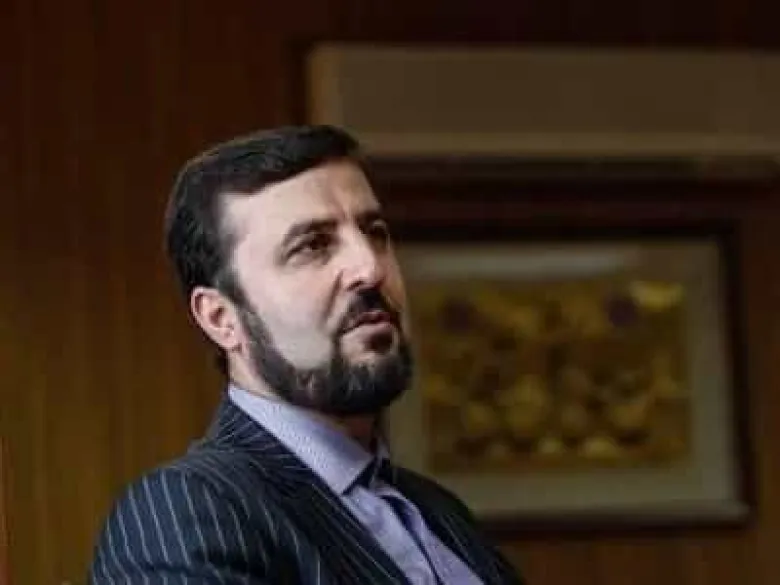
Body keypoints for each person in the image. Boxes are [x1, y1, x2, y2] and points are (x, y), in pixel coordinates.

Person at [88, 125, 524, 584]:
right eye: (313, 246)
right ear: (221, 318)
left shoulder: (437, 511)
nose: (369, 268)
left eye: (375, 232)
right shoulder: (186, 509)